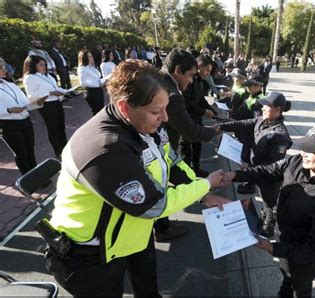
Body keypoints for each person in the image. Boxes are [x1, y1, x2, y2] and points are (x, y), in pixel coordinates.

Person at [47, 60, 230, 296]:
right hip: (90, 253)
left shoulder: (145, 124)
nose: (165, 118)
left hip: (133, 233)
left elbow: (171, 162)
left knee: (148, 289)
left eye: (166, 108)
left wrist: (202, 193)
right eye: (156, 111)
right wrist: (206, 183)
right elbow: (154, 205)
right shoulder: (105, 148)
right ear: (124, 107)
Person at [222, 124, 315, 297]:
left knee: (300, 287)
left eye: (311, 150)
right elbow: (270, 170)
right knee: (286, 278)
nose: (303, 153)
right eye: (304, 147)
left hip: (303, 260)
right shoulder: (297, 162)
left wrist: (272, 248)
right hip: (284, 241)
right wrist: (236, 176)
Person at [157, 48, 219, 241]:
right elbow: (190, 132)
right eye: (190, 75)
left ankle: (162, 224)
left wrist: (202, 190)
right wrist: (214, 131)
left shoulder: (158, 80)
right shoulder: (172, 95)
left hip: (163, 149)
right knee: (159, 184)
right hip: (158, 152)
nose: (163, 119)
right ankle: (161, 227)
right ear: (177, 70)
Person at [216, 92, 292, 236]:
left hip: (269, 176)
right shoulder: (262, 120)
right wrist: (221, 127)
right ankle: (264, 216)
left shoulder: (280, 136)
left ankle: (269, 228)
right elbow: (242, 124)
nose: (263, 108)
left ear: (278, 110)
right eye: (263, 104)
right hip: (256, 170)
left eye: (267, 106)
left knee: (269, 201)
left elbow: (274, 166)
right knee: (263, 197)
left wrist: (250, 169)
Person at [0, 57, 45, 174]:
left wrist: (37, 103)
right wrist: (9, 110)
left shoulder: (11, 85)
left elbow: (25, 103)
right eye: (1, 67)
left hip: (25, 120)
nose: (5, 70)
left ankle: (38, 175)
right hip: (9, 125)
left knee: (30, 150)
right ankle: (28, 179)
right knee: (21, 153)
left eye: (4, 66)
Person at [23, 55, 68, 158]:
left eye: (45, 64)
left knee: (61, 127)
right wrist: (50, 93)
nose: (44, 67)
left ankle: (65, 148)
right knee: (53, 129)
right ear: (33, 65)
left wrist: (63, 91)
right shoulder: (30, 78)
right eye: (41, 64)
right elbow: (31, 96)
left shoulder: (47, 75)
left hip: (57, 102)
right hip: (47, 106)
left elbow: (55, 87)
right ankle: (58, 152)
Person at [181, 54, 217, 177]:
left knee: (198, 145)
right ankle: (187, 175)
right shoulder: (189, 80)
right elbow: (187, 102)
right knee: (186, 149)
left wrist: (212, 111)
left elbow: (201, 99)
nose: (208, 73)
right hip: (186, 119)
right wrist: (204, 111)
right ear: (200, 66)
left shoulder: (199, 81)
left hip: (196, 118)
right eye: (207, 70)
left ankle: (196, 169)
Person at [78, 49, 106, 115]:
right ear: (84, 58)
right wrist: (97, 84)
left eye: (91, 56)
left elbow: (97, 78)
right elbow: (82, 83)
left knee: (101, 111)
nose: (92, 58)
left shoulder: (92, 67)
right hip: (92, 92)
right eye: (90, 57)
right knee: (97, 112)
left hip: (98, 90)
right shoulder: (82, 68)